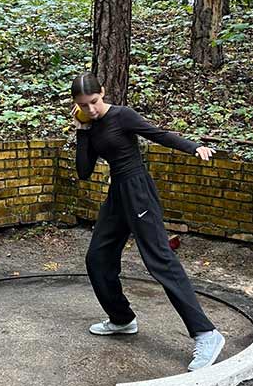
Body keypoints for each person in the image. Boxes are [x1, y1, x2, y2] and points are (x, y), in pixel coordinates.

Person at [71, 72, 225, 371]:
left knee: (160, 261)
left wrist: (193, 147)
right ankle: (122, 319)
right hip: (117, 195)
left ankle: (207, 334)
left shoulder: (122, 115)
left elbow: (158, 134)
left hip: (138, 190)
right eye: (83, 105)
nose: (90, 109)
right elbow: (83, 171)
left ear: (103, 92)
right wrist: (82, 131)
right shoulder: (89, 124)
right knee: (97, 258)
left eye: (94, 102)